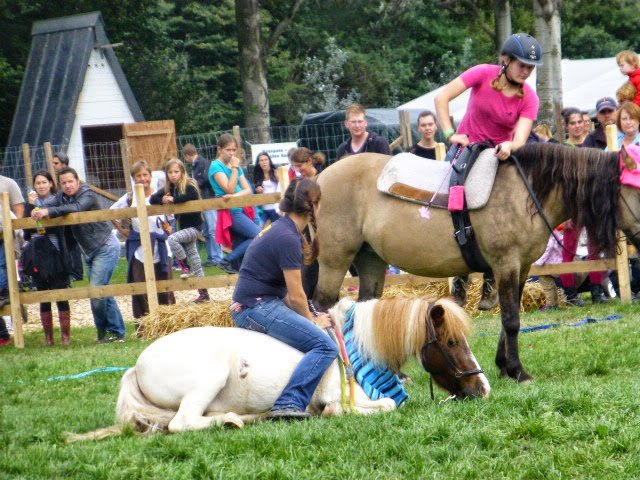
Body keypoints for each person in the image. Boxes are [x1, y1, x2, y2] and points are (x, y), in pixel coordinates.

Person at [434, 32, 542, 310]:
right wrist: (449, 133)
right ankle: (459, 283)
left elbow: (521, 137)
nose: (526, 71)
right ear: (506, 60)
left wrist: (510, 145)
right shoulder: (482, 73)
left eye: (531, 67)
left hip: (497, 158)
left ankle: (492, 280)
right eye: (522, 65)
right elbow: (442, 97)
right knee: (454, 207)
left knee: (502, 215)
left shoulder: (530, 98)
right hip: (464, 153)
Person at [231, 178, 338, 420]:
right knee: (325, 346)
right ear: (313, 206)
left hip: (258, 303)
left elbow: (290, 296)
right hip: (256, 307)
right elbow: (296, 295)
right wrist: (312, 320)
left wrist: (311, 316)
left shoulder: (283, 228)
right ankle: (289, 402)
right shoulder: (288, 237)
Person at [32, 167, 126, 343]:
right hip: (88, 251)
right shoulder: (62, 196)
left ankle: (105, 333)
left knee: (96, 292)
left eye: (70, 181)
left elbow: (77, 208)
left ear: (78, 181)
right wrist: (37, 209)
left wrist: (48, 212)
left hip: (105, 246)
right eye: (64, 183)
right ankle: (115, 332)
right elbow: (48, 204)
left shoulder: (87, 193)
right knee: (103, 291)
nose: (67, 185)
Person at [111, 161, 176, 331]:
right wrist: (123, 230)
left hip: (161, 246)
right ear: (133, 179)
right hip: (140, 248)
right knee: (140, 288)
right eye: (138, 176)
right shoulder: (129, 198)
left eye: (145, 175)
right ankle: (145, 328)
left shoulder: (160, 195)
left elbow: (171, 216)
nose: (142, 179)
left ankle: (168, 326)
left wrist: (169, 226)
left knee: (165, 287)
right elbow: (112, 212)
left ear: (150, 176)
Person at [22, 171, 76, 345]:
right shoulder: (31, 205)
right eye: (38, 183)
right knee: (43, 294)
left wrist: (44, 218)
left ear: (51, 183)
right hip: (38, 255)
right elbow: (26, 232)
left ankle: (66, 336)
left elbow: (60, 225)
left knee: (61, 293)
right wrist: (31, 207)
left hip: (56, 252)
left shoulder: (58, 201)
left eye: (44, 182)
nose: (41, 186)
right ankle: (49, 337)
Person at [150, 158, 209, 303]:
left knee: (172, 239)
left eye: (176, 172)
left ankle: (184, 266)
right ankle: (204, 294)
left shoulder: (189, 184)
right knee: (195, 259)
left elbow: (191, 196)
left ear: (182, 172)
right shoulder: (170, 188)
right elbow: (152, 199)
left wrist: (173, 199)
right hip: (184, 227)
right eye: (170, 172)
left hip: (195, 227)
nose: (173, 175)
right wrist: (163, 199)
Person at [209, 134, 260, 274]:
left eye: (234, 150)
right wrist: (235, 168)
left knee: (242, 243)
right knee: (258, 235)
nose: (231, 153)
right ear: (220, 149)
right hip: (231, 211)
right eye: (228, 150)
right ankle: (227, 260)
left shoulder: (234, 165)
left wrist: (234, 196)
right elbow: (229, 188)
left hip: (243, 208)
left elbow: (248, 189)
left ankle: (237, 270)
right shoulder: (216, 166)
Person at [183, 143, 223, 268]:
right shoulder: (197, 164)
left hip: (208, 199)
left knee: (212, 229)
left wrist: (192, 184)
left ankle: (218, 257)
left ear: (187, 155)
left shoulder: (203, 163)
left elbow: (206, 179)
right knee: (207, 231)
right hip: (203, 200)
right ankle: (212, 257)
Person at [0, 175, 25, 346]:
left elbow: (18, 211)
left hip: (5, 237)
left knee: (3, 269)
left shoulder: (8, 183)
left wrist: (15, 232)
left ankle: (4, 293)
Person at [253, 151, 281, 224]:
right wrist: (257, 190)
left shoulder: (275, 172)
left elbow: (281, 187)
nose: (264, 162)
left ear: (269, 161)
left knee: (276, 228)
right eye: (261, 160)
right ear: (259, 163)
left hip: (276, 209)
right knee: (260, 227)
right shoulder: (258, 175)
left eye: (266, 159)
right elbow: (255, 193)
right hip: (263, 209)